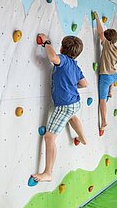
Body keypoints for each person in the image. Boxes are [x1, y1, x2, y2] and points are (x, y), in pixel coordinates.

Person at [32, 34, 88, 182]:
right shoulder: (75, 66)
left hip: (64, 105)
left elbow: (52, 58)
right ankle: (82, 138)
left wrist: (46, 42)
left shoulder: (63, 60)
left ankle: (48, 172)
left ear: (62, 48)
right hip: (75, 102)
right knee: (72, 116)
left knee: (49, 137)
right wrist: (70, 86)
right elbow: (84, 84)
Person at [93, 12, 117, 131]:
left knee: (102, 100)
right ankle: (111, 91)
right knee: (111, 82)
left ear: (107, 39)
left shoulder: (107, 45)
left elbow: (100, 33)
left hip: (106, 77)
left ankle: (104, 121)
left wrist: (97, 18)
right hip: (114, 75)